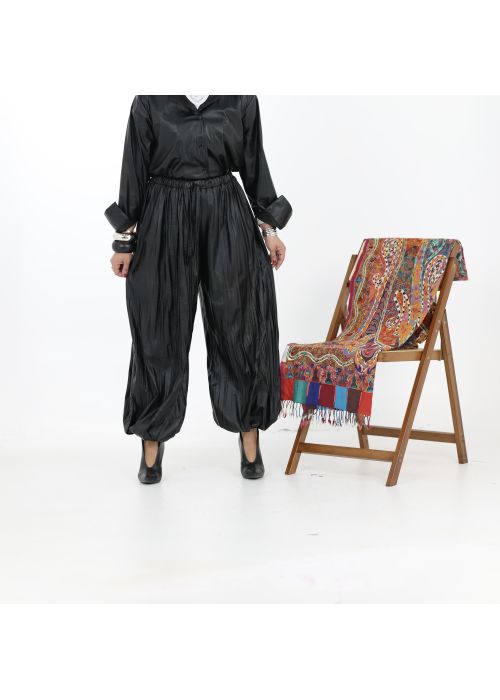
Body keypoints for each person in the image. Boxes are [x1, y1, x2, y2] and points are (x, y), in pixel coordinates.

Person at [105, 95, 292, 484]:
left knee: (240, 324)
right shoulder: (150, 100)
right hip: (164, 214)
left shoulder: (240, 98)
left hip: (225, 212)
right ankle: (152, 439)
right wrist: (125, 240)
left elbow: (254, 163)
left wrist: (269, 229)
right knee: (159, 329)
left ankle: (249, 434)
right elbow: (134, 167)